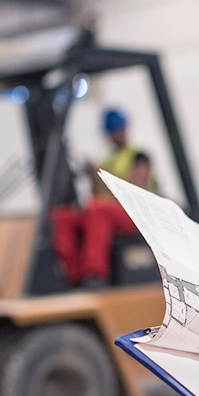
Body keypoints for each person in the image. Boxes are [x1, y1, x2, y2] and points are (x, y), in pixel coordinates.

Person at [52, 107, 156, 286]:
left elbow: (135, 189)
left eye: (119, 129)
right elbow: (96, 194)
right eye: (113, 131)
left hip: (137, 213)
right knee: (63, 216)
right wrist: (93, 176)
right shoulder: (107, 160)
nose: (117, 134)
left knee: (97, 210)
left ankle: (96, 274)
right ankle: (74, 275)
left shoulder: (139, 156)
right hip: (111, 211)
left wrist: (102, 175)